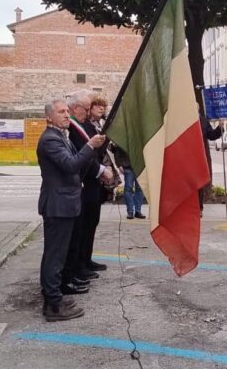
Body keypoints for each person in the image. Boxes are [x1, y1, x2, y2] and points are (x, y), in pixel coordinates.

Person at [36, 99, 107, 321]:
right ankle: (53, 305)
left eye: (67, 111)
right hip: (58, 205)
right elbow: (70, 164)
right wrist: (89, 146)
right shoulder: (50, 140)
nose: (66, 115)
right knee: (55, 256)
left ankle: (54, 296)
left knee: (59, 254)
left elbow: (75, 164)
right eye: (60, 112)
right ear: (49, 117)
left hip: (65, 204)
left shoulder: (60, 136)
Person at [63, 89, 114, 294]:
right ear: (77, 108)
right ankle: (77, 267)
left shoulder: (85, 125)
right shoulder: (75, 128)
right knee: (81, 229)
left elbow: (92, 152)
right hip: (84, 182)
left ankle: (84, 261)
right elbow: (82, 154)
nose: (88, 111)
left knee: (90, 224)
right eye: (86, 108)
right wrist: (100, 169)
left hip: (92, 181)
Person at [199, 112, 224, 210]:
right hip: (186, 157)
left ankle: (199, 207)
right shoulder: (183, 120)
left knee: (199, 184)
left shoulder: (204, 121)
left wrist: (219, 128)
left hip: (200, 156)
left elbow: (212, 135)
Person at [114, 146, 145, 219]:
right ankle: (130, 211)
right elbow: (117, 149)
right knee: (128, 188)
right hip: (127, 166)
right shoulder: (124, 135)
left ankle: (138, 211)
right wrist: (119, 164)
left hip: (139, 166)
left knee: (139, 188)